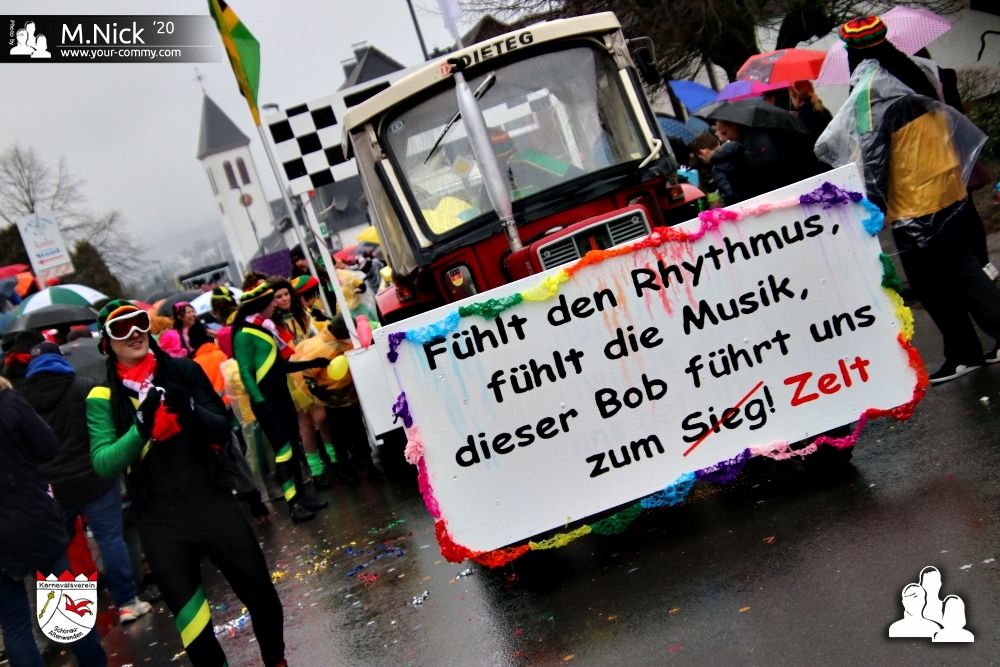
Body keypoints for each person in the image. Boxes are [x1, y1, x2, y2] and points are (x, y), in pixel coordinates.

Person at [86, 300, 287, 667]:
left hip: (212, 502)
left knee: (262, 597)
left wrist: (191, 411)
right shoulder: (102, 397)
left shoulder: (182, 370)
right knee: (194, 628)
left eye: (139, 323)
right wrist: (140, 429)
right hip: (161, 524)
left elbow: (222, 430)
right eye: (121, 328)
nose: (134, 334)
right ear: (106, 343)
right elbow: (103, 463)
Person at [817, 15, 999, 384]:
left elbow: (874, 153)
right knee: (961, 267)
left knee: (934, 282)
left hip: (913, 203)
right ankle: (966, 350)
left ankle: (963, 353)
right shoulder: (917, 73)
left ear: (853, 51)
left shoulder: (871, 90)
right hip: (947, 187)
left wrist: (873, 202)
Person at [18, 342, 152, 624]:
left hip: (54, 488)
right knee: (110, 540)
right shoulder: (85, 387)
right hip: (95, 479)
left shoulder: (22, 400)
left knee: (58, 550)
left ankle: (66, 617)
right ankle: (127, 603)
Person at [0, 375, 108, 667]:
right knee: (65, 602)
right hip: (31, 518)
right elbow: (47, 446)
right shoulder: (9, 403)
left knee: (15, 624)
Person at [231, 282, 331, 521]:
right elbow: (245, 372)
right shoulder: (243, 334)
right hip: (267, 402)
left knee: (294, 448)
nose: (275, 305)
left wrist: (312, 363)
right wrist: (260, 401)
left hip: (282, 396)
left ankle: (302, 497)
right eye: (271, 301)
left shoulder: (264, 327)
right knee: (283, 452)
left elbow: (280, 366)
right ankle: (293, 504)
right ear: (260, 305)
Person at [293, 314, 383, 482]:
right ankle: (344, 467)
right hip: (332, 399)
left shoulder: (356, 335)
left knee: (359, 431)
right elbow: (307, 374)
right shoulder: (319, 348)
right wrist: (316, 390)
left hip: (352, 394)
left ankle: (368, 464)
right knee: (339, 436)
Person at [269, 277, 336, 490]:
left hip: (311, 371)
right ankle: (317, 471)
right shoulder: (271, 325)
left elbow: (316, 338)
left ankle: (336, 460)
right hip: (291, 378)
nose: (284, 299)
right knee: (306, 425)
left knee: (322, 418)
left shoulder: (303, 315)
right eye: (278, 296)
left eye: (286, 294)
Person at [707, 123, 759, 205]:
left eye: (724, 133)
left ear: (703, 151)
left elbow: (731, 195)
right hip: (761, 196)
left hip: (743, 206)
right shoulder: (745, 152)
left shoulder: (717, 168)